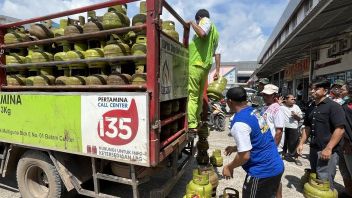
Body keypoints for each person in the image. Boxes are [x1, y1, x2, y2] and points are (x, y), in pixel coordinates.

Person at [222, 87, 284, 198]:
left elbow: (244, 156)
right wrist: (235, 147)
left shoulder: (239, 123)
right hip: (276, 165)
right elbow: (258, 139)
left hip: (262, 172)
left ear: (229, 101)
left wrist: (229, 167)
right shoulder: (254, 112)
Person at [297, 79, 345, 189]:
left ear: (325, 90)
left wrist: (329, 148)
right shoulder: (311, 106)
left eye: (316, 89)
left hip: (328, 151)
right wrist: (301, 143)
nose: (312, 91)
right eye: (311, 89)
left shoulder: (334, 106)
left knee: (325, 182)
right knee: (315, 177)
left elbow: (340, 129)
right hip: (314, 148)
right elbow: (307, 127)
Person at [187, 9, 220, 132]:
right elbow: (217, 53)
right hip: (205, 67)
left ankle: (191, 123)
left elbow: (202, 33)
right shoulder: (216, 33)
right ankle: (196, 120)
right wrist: (217, 70)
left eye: (197, 21)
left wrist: (192, 23)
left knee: (192, 95)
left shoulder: (205, 21)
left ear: (199, 18)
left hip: (196, 64)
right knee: (199, 95)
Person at [260, 84, 285, 198]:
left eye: (268, 95)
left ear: (275, 95)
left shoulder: (277, 109)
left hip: (273, 149)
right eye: (264, 94)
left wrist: (273, 148)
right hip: (265, 147)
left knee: (275, 178)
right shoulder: (266, 107)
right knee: (267, 176)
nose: (265, 96)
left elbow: (279, 131)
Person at [281, 94, 303, 166]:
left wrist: (296, 116)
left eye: (294, 99)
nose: (294, 100)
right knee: (283, 143)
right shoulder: (281, 107)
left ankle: (296, 158)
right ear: (286, 100)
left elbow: (300, 118)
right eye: (292, 99)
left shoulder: (296, 107)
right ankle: (282, 156)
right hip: (283, 128)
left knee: (294, 143)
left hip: (293, 127)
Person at [339, 81, 352, 196]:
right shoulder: (345, 104)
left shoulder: (348, 107)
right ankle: (348, 192)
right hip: (343, 143)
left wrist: (347, 142)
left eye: (342, 90)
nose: (340, 91)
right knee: (344, 170)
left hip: (348, 144)